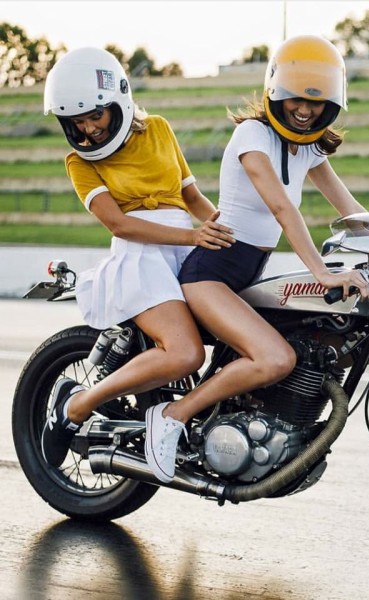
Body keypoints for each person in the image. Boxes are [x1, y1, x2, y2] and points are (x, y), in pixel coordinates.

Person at [143, 34, 369, 483]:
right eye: (294, 101)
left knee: (304, 347)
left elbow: (351, 210)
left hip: (246, 276)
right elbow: (283, 208)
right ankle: (170, 416)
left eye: (316, 103)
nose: (304, 111)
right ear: (275, 94)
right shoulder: (252, 135)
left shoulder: (309, 148)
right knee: (274, 359)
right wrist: (321, 272)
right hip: (210, 274)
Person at [40, 47, 235, 468]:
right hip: (142, 258)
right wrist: (193, 234)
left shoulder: (160, 130)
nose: (89, 130)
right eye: (78, 122)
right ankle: (75, 406)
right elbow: (119, 225)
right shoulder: (79, 163)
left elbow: (191, 196)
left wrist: (226, 231)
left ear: (119, 101)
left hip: (187, 248)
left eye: (96, 116)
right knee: (186, 354)